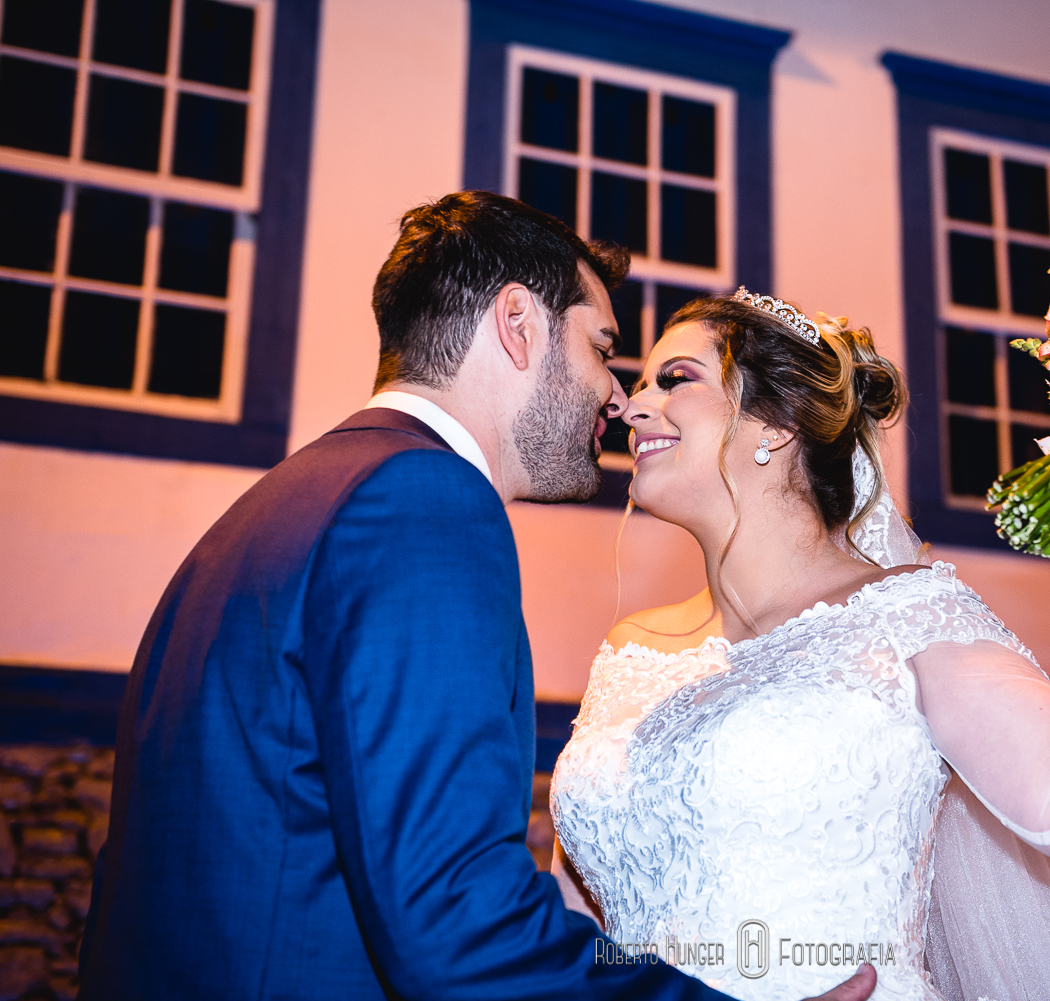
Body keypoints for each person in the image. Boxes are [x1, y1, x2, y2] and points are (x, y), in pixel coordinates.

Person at [78, 194, 874, 1001]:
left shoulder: (272, 506)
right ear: (518, 324)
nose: (615, 396)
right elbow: (453, 918)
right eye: (602, 347)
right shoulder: (424, 503)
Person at [550, 289, 1050, 1000]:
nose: (630, 404)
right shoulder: (630, 650)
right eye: (641, 382)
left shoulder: (906, 615)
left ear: (776, 423)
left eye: (675, 379)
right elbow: (578, 930)